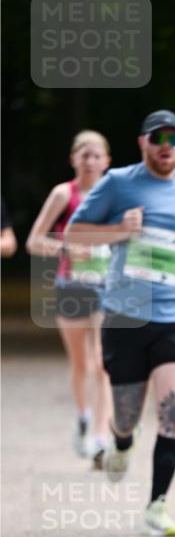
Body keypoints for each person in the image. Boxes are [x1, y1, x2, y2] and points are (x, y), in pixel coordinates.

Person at [65, 110, 175, 534]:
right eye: (158, 137)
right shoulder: (119, 183)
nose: (167, 145)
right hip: (125, 315)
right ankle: (122, 440)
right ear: (142, 142)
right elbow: (74, 235)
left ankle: (157, 505)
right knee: (126, 415)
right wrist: (118, 231)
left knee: (174, 408)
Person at [26, 131, 113, 465]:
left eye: (96, 156)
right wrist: (68, 248)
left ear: (107, 161)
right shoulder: (64, 194)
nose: (90, 162)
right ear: (74, 159)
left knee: (104, 363)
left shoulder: (116, 194)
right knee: (81, 363)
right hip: (72, 285)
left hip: (106, 284)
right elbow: (34, 241)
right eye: (84, 155)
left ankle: (102, 438)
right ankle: (83, 417)